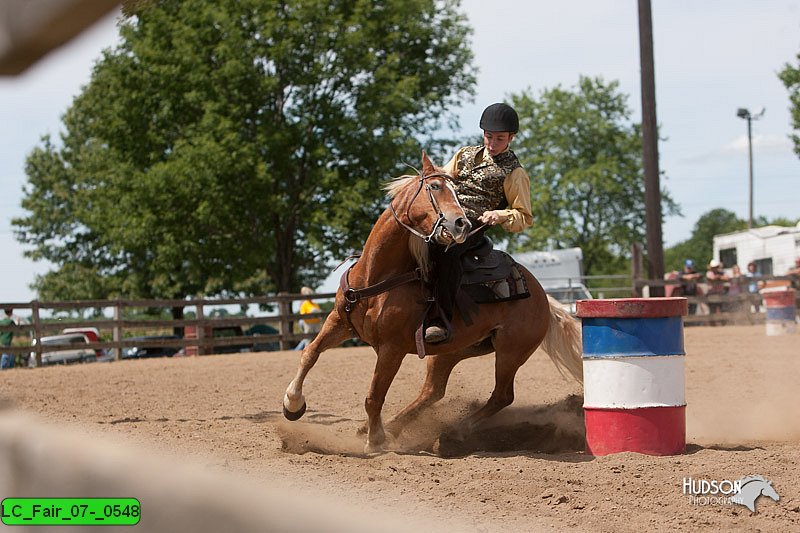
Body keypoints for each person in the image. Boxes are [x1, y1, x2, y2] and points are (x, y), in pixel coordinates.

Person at [424, 103, 533, 343]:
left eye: (500, 139)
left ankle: (440, 320)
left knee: (446, 251)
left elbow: (524, 217)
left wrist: (500, 214)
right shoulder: (464, 154)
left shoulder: (514, 173)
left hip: (473, 225)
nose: (492, 144)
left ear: (511, 138)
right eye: (489, 137)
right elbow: (443, 178)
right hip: (445, 214)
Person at [705, 259, 729, 324]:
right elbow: (711, 278)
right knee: (712, 309)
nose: (715, 269)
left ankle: (724, 322)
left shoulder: (722, 273)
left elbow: (727, 278)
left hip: (720, 293)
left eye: (716, 267)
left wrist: (719, 277)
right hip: (712, 294)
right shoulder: (709, 273)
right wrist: (719, 277)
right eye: (713, 267)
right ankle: (712, 323)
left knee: (722, 308)